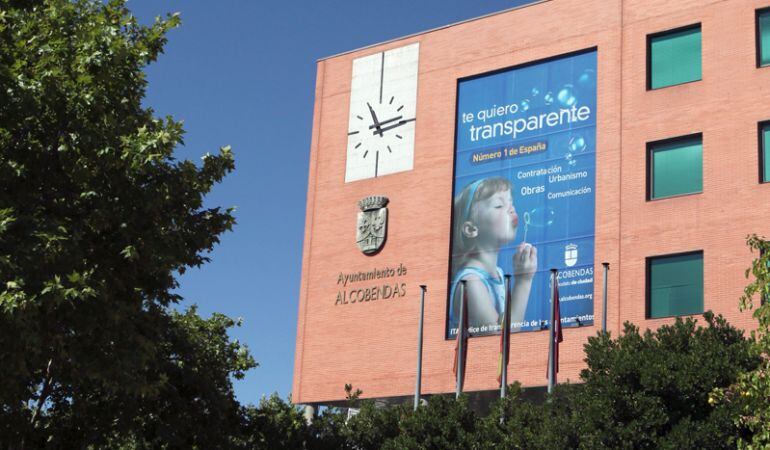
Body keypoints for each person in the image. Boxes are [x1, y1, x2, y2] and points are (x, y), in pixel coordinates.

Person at [449, 177, 537, 333]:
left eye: (511, 202)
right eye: (499, 205)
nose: (511, 209)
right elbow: (500, 342)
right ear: (471, 229)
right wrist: (523, 281)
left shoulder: (498, 273)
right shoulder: (471, 283)